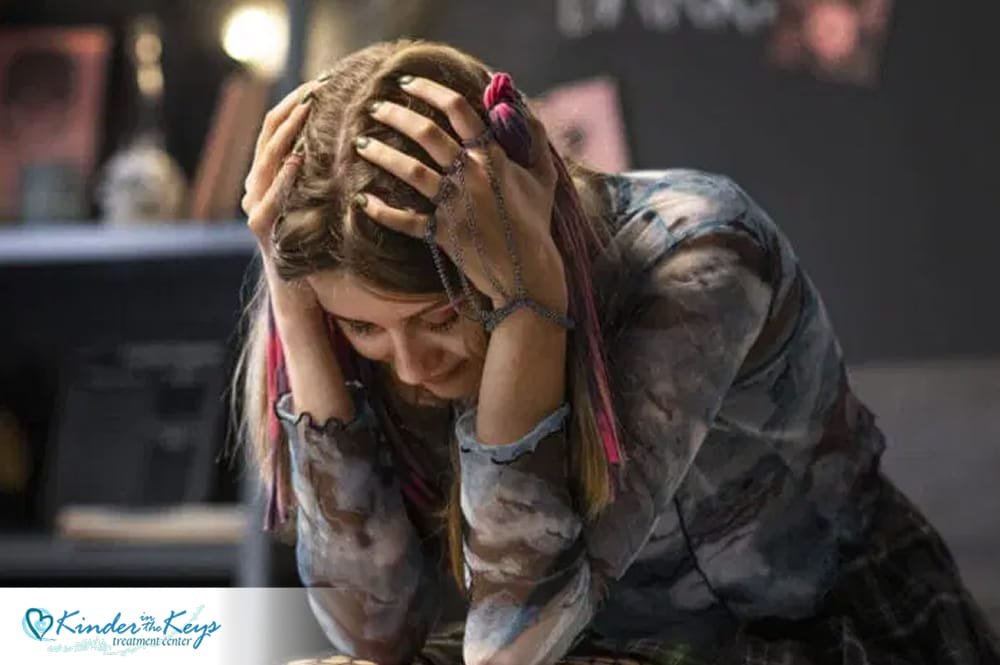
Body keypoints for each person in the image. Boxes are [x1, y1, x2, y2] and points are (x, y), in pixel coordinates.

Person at [233, 39, 1000, 665]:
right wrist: (295, 306)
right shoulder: (356, 325)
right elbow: (373, 629)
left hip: (821, 641)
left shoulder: (698, 255)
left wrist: (527, 307)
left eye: (439, 317)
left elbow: (512, 646)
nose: (411, 367)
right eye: (366, 328)